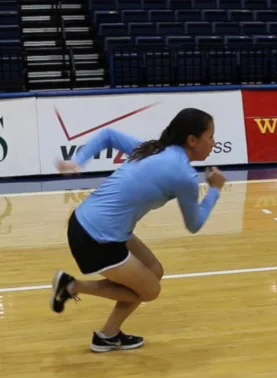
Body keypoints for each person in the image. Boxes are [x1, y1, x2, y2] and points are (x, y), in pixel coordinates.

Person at [50, 108, 227, 353]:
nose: (213, 143)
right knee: (149, 290)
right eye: (210, 136)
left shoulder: (153, 150)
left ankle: (108, 336)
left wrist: (78, 161)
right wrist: (215, 189)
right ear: (192, 140)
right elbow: (194, 224)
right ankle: (72, 286)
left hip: (84, 220)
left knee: (154, 271)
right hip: (96, 239)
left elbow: (108, 135)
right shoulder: (184, 176)